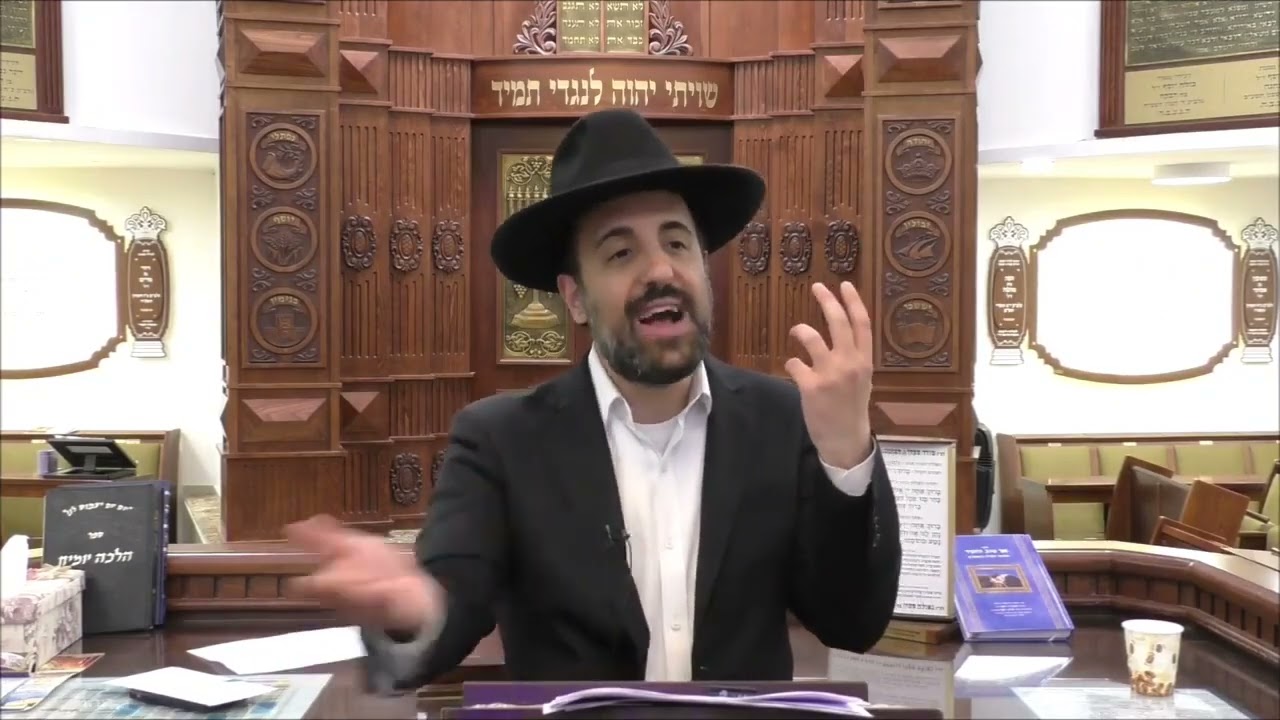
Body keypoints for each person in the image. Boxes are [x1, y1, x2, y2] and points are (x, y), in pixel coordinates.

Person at [286, 108, 902, 688]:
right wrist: (413, 608)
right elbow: (452, 599)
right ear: (575, 297)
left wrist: (846, 455)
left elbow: (853, 623)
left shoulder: (784, 420)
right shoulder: (501, 440)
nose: (660, 270)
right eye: (621, 252)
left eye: (677, 243)